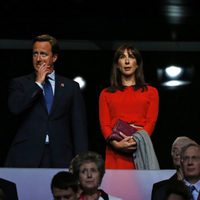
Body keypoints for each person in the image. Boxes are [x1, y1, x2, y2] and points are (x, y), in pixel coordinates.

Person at [5, 34, 88, 168]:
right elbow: (15, 108)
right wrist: (37, 83)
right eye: (35, 54)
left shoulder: (71, 87)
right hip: (26, 155)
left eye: (43, 54)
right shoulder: (20, 83)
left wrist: (83, 159)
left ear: (54, 57)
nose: (38, 59)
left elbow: (79, 126)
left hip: (60, 155)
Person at [99, 43, 159, 169]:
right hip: (115, 149)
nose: (127, 61)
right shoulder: (106, 93)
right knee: (116, 187)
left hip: (141, 146)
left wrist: (137, 140)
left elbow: (151, 122)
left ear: (137, 64)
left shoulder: (151, 92)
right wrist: (116, 144)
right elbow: (105, 124)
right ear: (117, 64)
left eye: (131, 57)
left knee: (142, 187)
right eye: (122, 57)